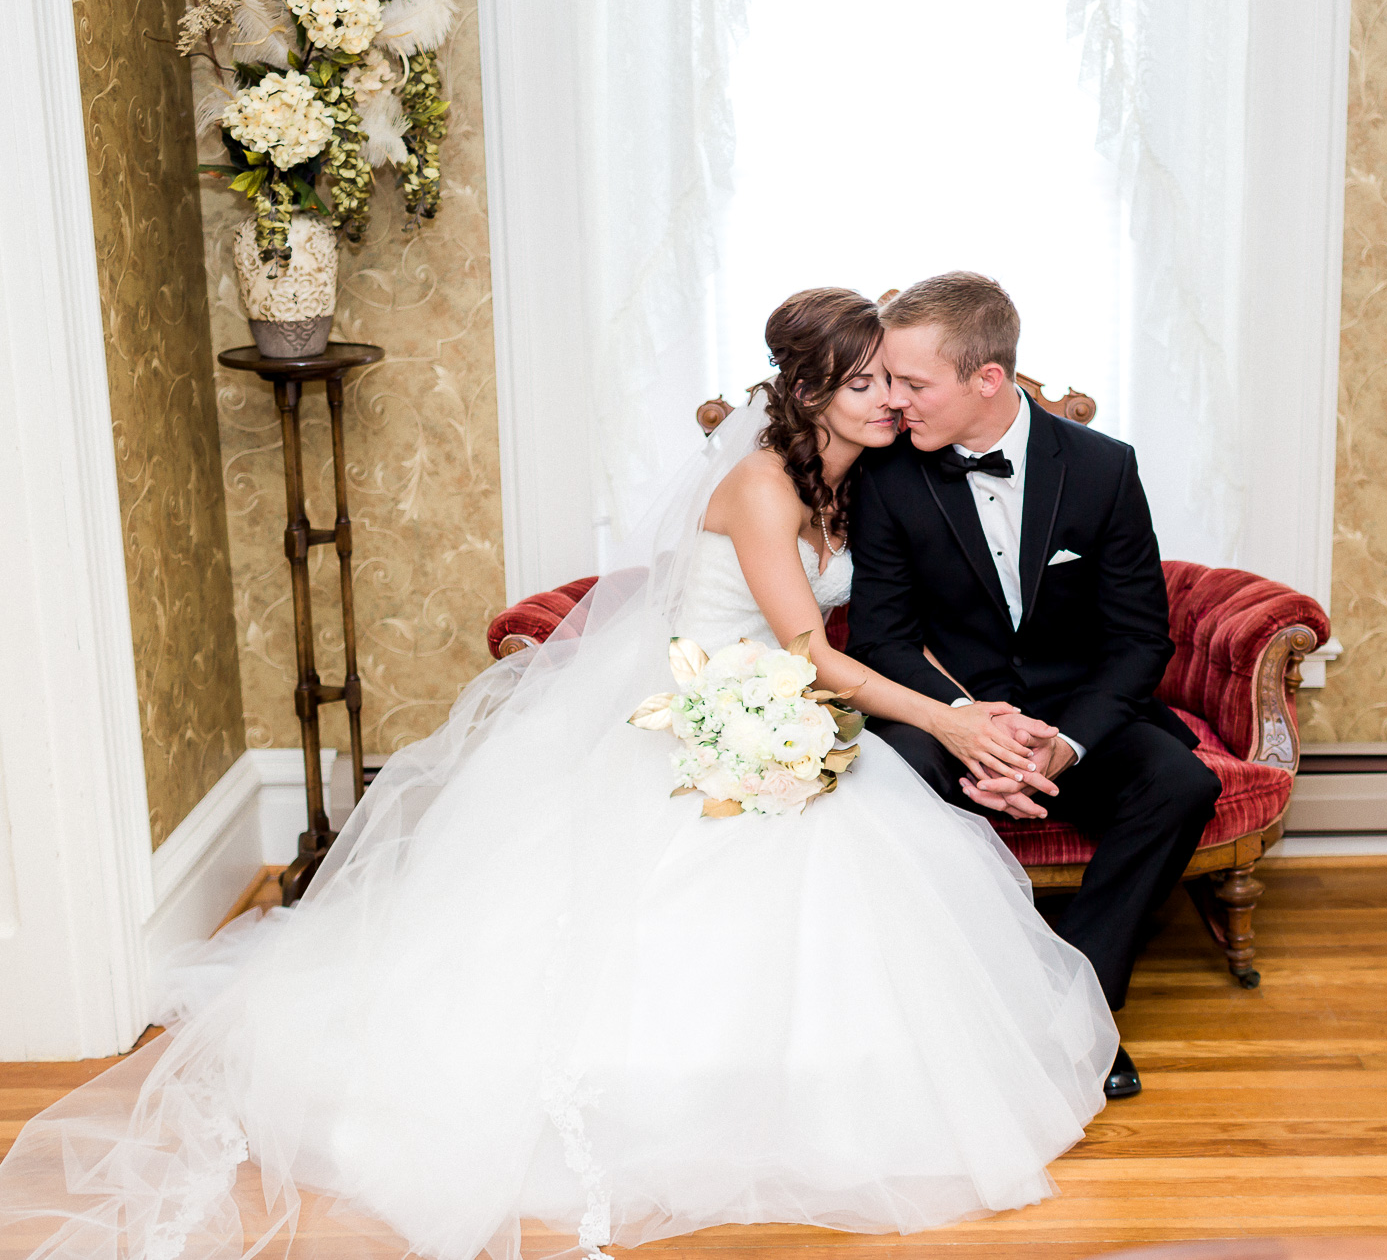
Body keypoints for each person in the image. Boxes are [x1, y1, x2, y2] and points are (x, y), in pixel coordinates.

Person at [0, 289, 1117, 1260]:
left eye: (894, 380)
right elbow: (814, 650)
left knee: (863, 875)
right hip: (702, 716)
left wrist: (967, 708)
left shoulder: (863, 481)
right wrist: (951, 725)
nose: (891, 401)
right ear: (812, 386)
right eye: (867, 381)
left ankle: (828, 1089)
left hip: (790, 716)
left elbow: (881, 624)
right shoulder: (766, 490)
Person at [850, 271, 1224, 1099]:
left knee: (1179, 784)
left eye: (913, 383)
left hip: (1082, 709)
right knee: (891, 780)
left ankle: (1077, 1014)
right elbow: (881, 636)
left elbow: (1139, 638)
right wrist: (967, 726)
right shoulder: (887, 478)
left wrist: (1060, 744)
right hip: (951, 710)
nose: (894, 402)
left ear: (988, 378)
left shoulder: (1103, 469)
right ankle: (951, 1018)